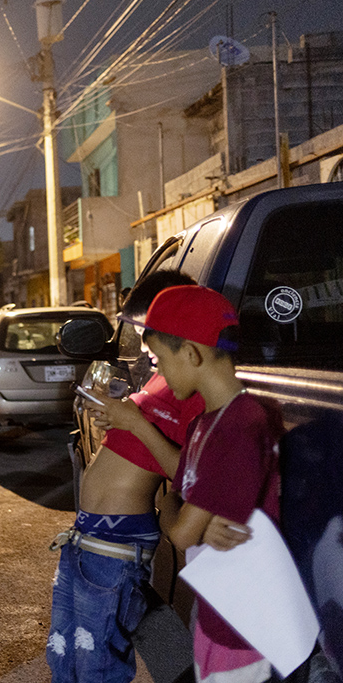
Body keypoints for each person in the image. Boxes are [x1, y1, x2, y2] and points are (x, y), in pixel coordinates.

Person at [46, 270, 204, 683]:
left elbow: (190, 477)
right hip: (88, 536)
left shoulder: (194, 387)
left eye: (147, 332)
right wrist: (117, 413)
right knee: (66, 658)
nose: (145, 345)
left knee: (96, 665)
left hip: (117, 542)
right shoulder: (160, 375)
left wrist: (133, 422)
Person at [146, 286, 283, 683]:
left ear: (191, 353)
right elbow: (176, 498)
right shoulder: (205, 423)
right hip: (215, 609)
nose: (159, 374)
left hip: (242, 626)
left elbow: (181, 531)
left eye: (159, 361)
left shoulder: (240, 426)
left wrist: (180, 520)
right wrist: (181, 517)